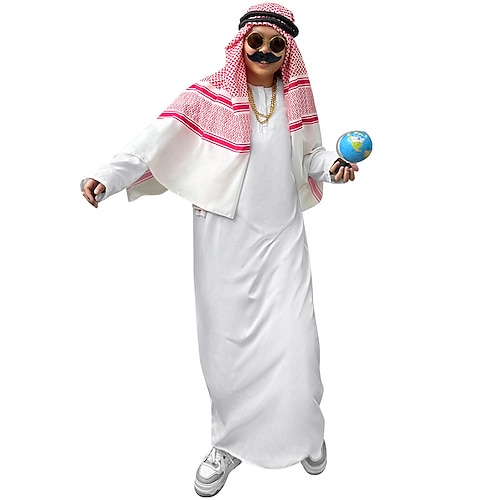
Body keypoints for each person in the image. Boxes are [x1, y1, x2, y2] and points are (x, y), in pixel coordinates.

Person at [81, 3, 358, 496]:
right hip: (222, 241)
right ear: (241, 44)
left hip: (282, 240)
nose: (266, 52)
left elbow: (311, 156)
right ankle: (228, 444)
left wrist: (332, 166)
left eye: (277, 44)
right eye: (257, 42)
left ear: (288, 50)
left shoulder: (296, 98)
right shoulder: (209, 94)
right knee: (226, 351)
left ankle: (304, 430)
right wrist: (108, 176)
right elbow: (154, 141)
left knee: (297, 343)